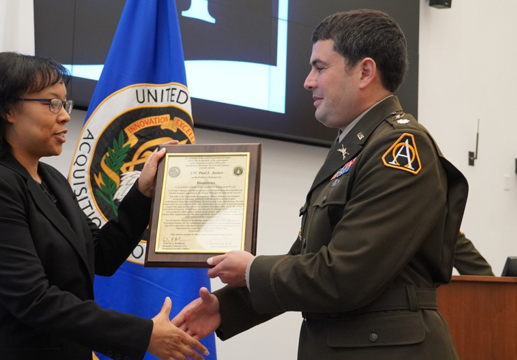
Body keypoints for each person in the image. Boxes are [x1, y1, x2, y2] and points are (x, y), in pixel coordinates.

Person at [173, 9, 468, 360]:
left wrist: (252, 270)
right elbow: (309, 259)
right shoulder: (357, 146)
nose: (308, 81)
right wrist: (227, 308)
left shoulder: (400, 148)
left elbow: (346, 275)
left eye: (320, 67)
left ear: (365, 72)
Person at [0, 52, 208, 360]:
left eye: (64, 103)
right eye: (51, 103)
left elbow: (100, 255)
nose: (64, 116)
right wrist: (142, 334)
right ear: (8, 110)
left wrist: (143, 191)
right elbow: (34, 300)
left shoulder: (52, 180)